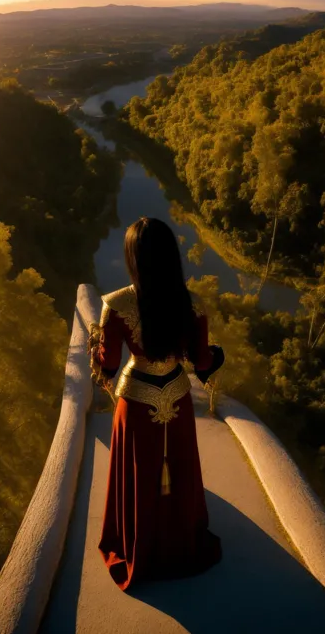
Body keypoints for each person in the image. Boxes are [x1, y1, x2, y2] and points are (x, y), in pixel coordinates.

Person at [89, 217, 224, 591]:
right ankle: (180, 542)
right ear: (171, 255)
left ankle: (139, 544)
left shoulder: (116, 304)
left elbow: (110, 365)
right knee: (178, 471)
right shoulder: (191, 303)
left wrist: (95, 348)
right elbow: (201, 363)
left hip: (136, 401)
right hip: (177, 399)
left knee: (139, 473)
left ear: (133, 257)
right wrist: (217, 356)